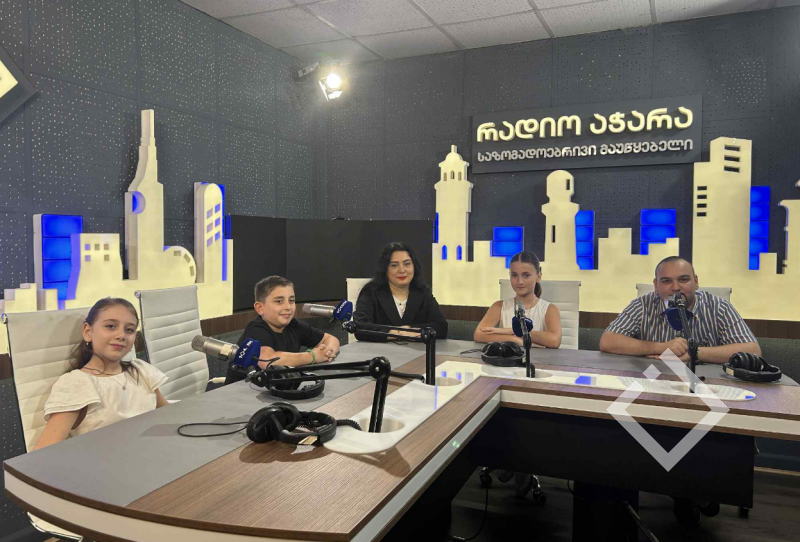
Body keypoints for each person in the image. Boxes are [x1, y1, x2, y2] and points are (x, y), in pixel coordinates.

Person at [35, 298, 169, 450]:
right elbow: (42, 453)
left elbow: (167, 414)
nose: (121, 335)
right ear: (88, 332)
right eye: (110, 326)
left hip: (153, 452)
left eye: (129, 330)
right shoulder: (77, 383)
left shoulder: (140, 370)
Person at [599, 256, 761, 363]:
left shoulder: (719, 307)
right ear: (656, 285)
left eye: (683, 280)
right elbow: (608, 341)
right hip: (653, 378)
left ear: (696, 282)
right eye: (666, 281)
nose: (675, 287)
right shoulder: (642, 305)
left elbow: (753, 351)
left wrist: (694, 353)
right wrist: (661, 347)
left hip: (705, 383)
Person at [226, 276, 341, 384]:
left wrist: (327, 352)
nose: (288, 307)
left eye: (291, 300)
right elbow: (268, 361)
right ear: (260, 308)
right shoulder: (256, 329)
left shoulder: (294, 325)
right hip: (241, 392)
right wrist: (313, 356)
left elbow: (330, 339)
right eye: (279, 301)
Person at [354, 241, 448, 342]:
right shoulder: (370, 292)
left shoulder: (423, 292)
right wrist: (396, 333)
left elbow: (441, 327)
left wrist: (411, 330)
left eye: (407, 264)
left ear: (414, 266)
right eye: (394, 265)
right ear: (385, 269)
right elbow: (360, 327)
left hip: (416, 351)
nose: (402, 270)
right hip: (379, 351)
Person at [474, 251, 561, 348]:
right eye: (514, 275)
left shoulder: (549, 309)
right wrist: (514, 340)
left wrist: (513, 331)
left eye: (526, 275)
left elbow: (555, 340)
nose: (520, 281)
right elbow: (479, 334)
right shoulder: (499, 306)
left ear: (538, 276)